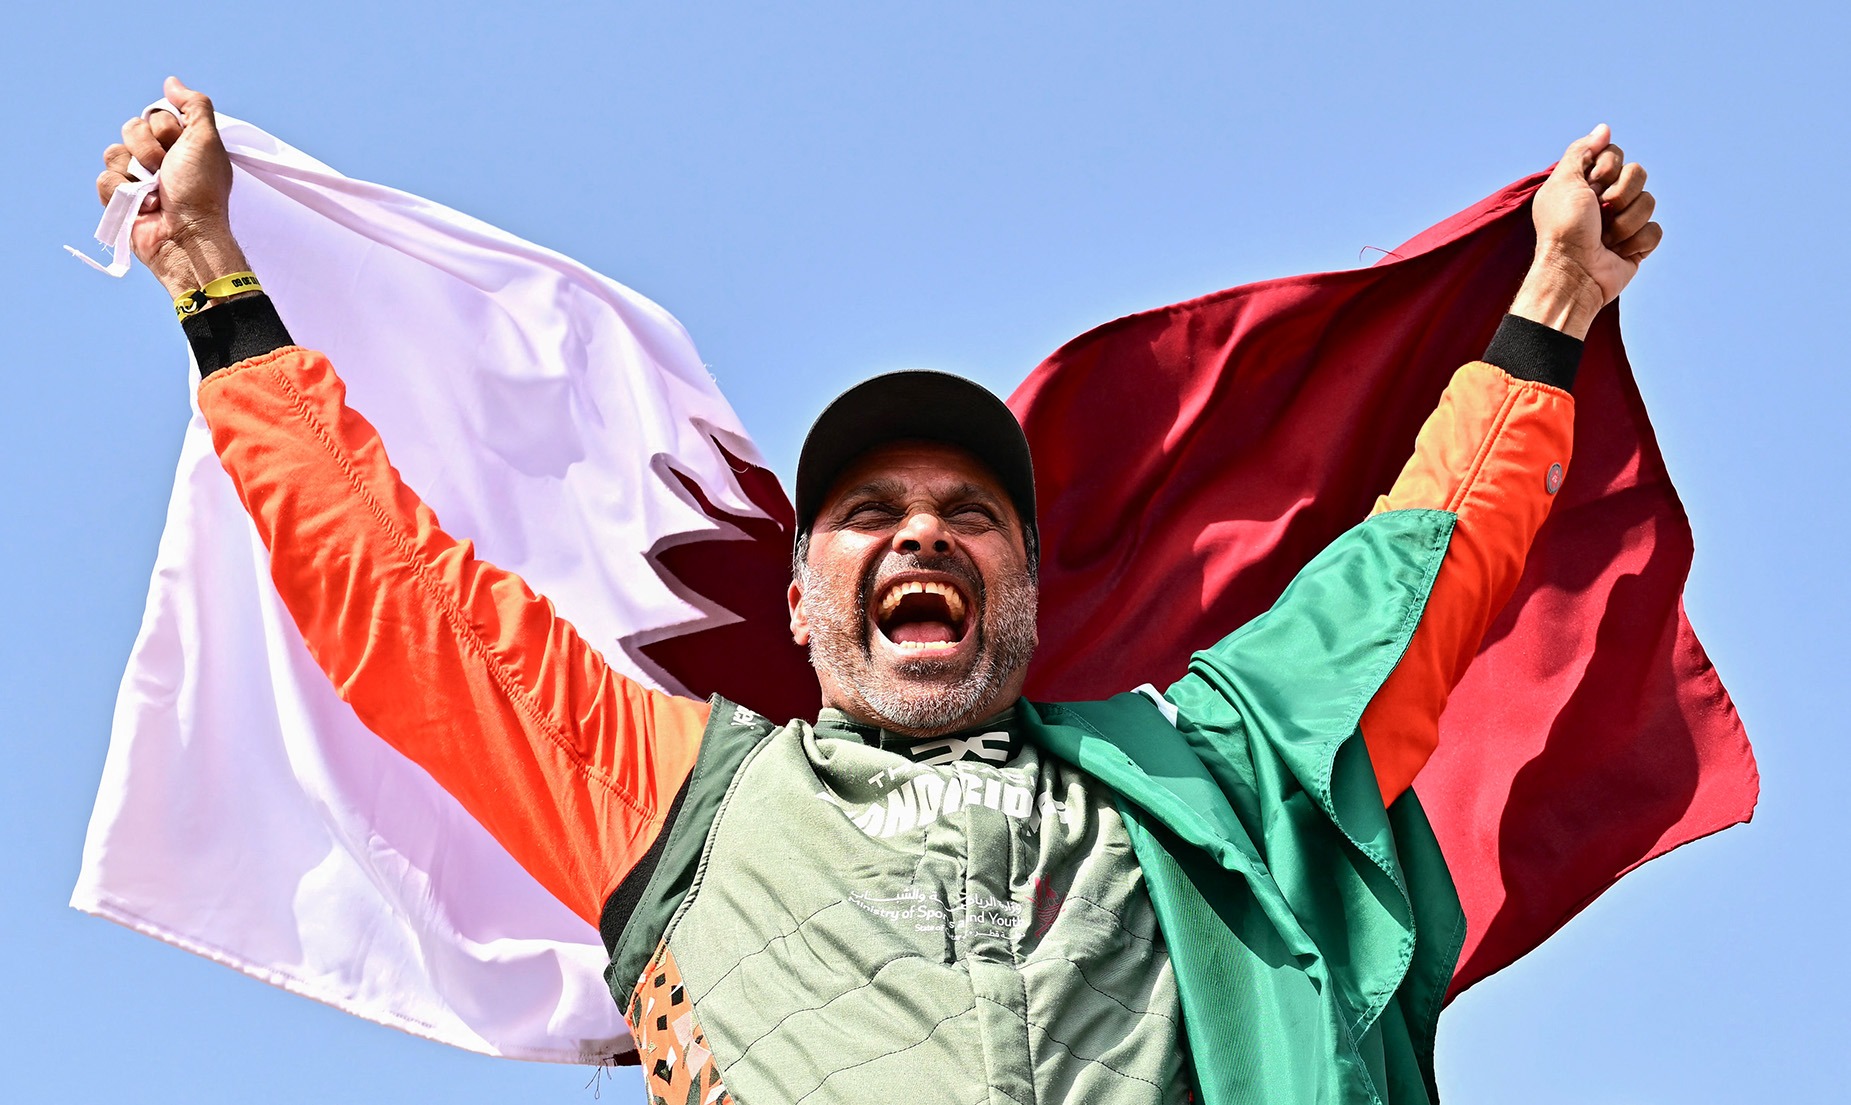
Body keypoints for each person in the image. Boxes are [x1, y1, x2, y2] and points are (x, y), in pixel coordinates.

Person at [98, 77, 1659, 1105]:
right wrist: (212, 282)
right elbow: (397, 592)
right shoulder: (664, 794)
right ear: (795, 601)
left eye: (970, 515)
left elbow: (1408, 576)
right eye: (868, 514)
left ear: (1027, 593)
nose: (921, 536)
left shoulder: (1208, 775)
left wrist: (1552, 310)